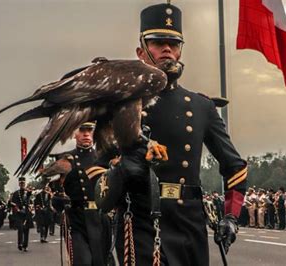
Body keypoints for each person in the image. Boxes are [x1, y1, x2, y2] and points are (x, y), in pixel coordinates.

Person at [95, 2, 247, 265]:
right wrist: (121, 171)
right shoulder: (120, 105)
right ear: (141, 52)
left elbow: (235, 167)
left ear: (180, 50)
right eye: (158, 42)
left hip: (189, 221)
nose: (167, 48)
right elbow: (97, 178)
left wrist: (231, 216)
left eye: (174, 43)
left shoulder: (201, 106)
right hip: (141, 218)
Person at [49, 122, 111, 265]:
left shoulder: (104, 158)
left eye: (89, 130)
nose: (86, 134)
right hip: (77, 218)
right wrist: (59, 200)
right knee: (82, 261)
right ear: (74, 134)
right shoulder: (66, 159)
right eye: (82, 130)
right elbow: (56, 191)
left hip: (100, 218)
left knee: (100, 262)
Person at [10, 177, 34, 252]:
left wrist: (31, 207)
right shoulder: (16, 193)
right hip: (19, 213)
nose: (22, 184)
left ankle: (25, 245)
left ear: (25, 183)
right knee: (20, 228)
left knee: (26, 230)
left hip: (26, 213)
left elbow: (30, 200)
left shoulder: (28, 193)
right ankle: (20, 243)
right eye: (21, 183)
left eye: (23, 183)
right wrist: (17, 208)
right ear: (19, 184)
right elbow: (12, 203)